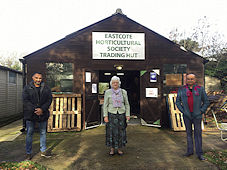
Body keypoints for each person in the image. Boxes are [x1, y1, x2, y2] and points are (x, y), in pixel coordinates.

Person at [176, 73, 209, 161]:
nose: (190, 80)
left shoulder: (200, 89)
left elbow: (206, 101)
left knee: (198, 134)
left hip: (197, 116)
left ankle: (199, 153)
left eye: (192, 79)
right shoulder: (182, 89)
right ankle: (190, 151)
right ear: (186, 80)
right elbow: (178, 102)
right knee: (188, 134)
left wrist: (201, 111)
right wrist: (183, 111)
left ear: (195, 80)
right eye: (188, 79)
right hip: (187, 115)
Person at [23, 72, 53, 160]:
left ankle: (43, 151)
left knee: (43, 132)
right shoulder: (27, 88)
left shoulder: (46, 88)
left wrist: (42, 109)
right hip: (30, 114)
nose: (38, 80)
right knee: (29, 133)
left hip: (42, 114)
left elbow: (49, 99)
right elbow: (25, 100)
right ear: (33, 78)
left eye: (40, 78)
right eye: (36, 78)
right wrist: (35, 109)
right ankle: (28, 153)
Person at [103, 76, 130, 156]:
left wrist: (127, 114)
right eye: (114, 82)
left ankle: (119, 149)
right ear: (111, 83)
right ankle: (112, 149)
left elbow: (127, 104)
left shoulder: (123, 92)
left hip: (121, 114)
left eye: (117, 82)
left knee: (121, 132)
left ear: (119, 83)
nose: (115, 84)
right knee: (111, 132)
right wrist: (105, 116)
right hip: (111, 114)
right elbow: (105, 105)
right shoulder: (108, 92)